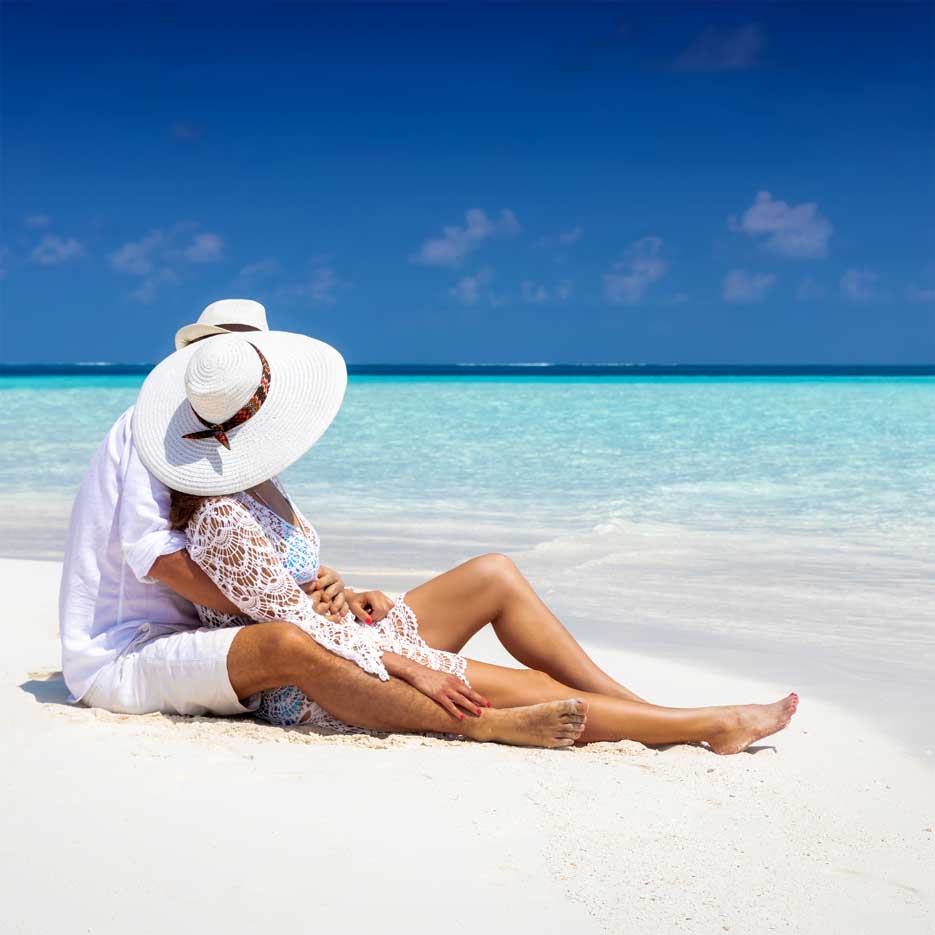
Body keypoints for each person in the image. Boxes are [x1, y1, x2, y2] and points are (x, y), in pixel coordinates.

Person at [133, 325, 799, 754]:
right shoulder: (219, 514)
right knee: (530, 685)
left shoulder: (261, 483)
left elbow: (287, 585)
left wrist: (340, 583)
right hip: (313, 683)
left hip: (348, 634)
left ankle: (646, 713)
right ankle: (707, 725)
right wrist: (411, 662)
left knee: (494, 571)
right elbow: (290, 631)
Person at [59, 300, 585, 748]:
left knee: (484, 578)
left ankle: (631, 706)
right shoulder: (153, 429)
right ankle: (485, 724)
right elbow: (162, 559)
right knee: (290, 641)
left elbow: (254, 552)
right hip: (130, 648)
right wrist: (284, 602)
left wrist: (327, 586)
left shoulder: (234, 438)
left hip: (224, 626)